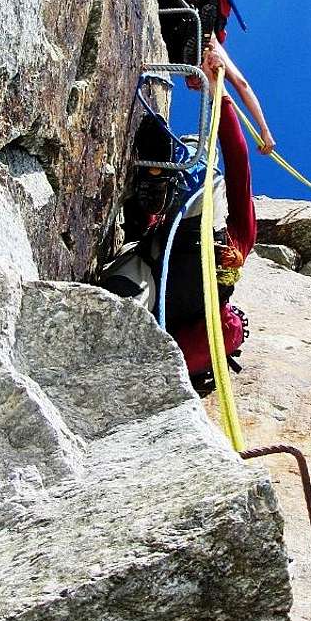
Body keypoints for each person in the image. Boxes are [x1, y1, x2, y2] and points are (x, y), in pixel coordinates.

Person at [100, 44, 258, 390]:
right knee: (119, 302)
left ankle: (167, 174)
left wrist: (220, 96)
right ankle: (162, 176)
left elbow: (238, 164)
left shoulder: (237, 240)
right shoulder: (231, 242)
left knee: (206, 186)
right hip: (157, 267)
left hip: (185, 285)